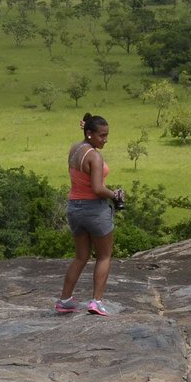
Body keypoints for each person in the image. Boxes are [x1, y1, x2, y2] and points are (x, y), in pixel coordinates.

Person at [55, 114, 124, 316]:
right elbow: (97, 188)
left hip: (74, 208)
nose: (105, 139)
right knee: (104, 256)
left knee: (81, 256)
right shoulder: (94, 156)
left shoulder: (75, 149)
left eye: (106, 135)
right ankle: (96, 301)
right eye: (102, 135)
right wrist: (116, 195)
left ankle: (64, 300)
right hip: (95, 210)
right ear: (89, 134)